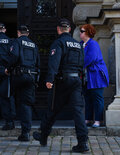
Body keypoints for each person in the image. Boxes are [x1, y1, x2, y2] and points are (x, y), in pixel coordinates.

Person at [33, 18, 89, 153]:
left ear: (58, 29)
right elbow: (82, 63)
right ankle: (83, 143)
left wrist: (50, 79)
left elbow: (54, 62)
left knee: (52, 108)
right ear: (69, 29)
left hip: (62, 81)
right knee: (78, 112)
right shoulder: (77, 44)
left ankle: (43, 135)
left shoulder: (58, 43)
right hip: (76, 80)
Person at [7, 25, 40, 141]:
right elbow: (38, 62)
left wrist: (8, 68)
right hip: (31, 76)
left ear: (18, 33)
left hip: (19, 75)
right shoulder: (34, 45)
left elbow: (14, 56)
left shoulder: (17, 42)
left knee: (9, 96)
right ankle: (25, 132)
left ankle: (9, 121)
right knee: (26, 104)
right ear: (28, 33)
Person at [79, 24, 109, 128]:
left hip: (96, 76)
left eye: (82, 31)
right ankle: (88, 119)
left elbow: (90, 59)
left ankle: (98, 120)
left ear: (87, 32)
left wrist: (78, 66)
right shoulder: (81, 44)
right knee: (87, 98)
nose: (80, 33)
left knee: (97, 98)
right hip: (86, 76)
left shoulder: (93, 44)